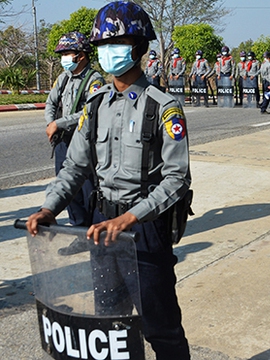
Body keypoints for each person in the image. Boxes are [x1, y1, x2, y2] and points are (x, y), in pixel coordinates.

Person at [27, 2, 192, 359]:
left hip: (144, 231)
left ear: (139, 48)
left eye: (115, 43)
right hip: (102, 228)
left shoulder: (162, 107)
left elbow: (177, 178)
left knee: (160, 329)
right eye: (102, 44)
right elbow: (75, 167)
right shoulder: (97, 104)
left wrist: (131, 217)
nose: (107, 51)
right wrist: (48, 208)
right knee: (109, 325)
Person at [45, 31, 104, 256]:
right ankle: (79, 231)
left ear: (81, 55)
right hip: (63, 141)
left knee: (87, 188)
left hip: (84, 141)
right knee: (66, 185)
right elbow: (51, 102)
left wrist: (59, 123)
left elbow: (89, 112)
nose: (64, 58)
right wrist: (51, 123)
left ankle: (92, 230)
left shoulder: (94, 80)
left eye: (67, 53)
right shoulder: (64, 77)